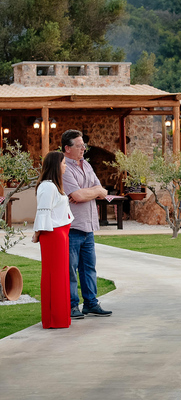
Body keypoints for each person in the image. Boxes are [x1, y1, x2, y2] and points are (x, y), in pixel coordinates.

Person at [61, 129, 111, 318]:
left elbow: (103, 191)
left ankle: (91, 303)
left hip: (88, 227)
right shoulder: (64, 168)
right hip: (73, 227)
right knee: (71, 271)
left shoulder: (87, 166)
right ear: (67, 148)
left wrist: (92, 191)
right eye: (79, 145)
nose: (83, 149)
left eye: (84, 145)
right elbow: (77, 196)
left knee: (89, 268)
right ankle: (73, 306)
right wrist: (92, 191)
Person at [33, 152, 74, 329]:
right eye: (64, 163)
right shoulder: (48, 187)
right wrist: (37, 234)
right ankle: (53, 319)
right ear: (56, 165)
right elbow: (43, 212)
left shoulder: (55, 186)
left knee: (61, 276)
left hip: (61, 234)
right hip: (53, 235)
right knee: (54, 276)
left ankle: (61, 317)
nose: (65, 166)